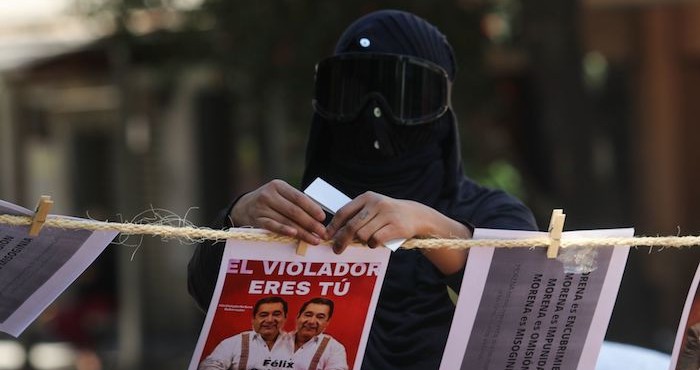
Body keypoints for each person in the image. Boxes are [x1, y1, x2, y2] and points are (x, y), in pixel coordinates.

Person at [189, 9, 537, 370]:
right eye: (352, 91)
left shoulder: (491, 213)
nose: (374, 112)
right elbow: (206, 293)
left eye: (401, 94)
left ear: (439, 108)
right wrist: (235, 221)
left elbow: (529, 302)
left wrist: (430, 227)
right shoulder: (299, 217)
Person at [198, 296, 292, 370]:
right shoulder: (234, 342)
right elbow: (208, 366)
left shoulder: (296, 343)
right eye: (263, 315)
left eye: (276, 314)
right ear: (253, 319)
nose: (270, 320)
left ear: (285, 318)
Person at [291, 298, 348, 370]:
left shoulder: (334, 348)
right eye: (308, 315)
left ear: (327, 322)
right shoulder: (279, 340)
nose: (311, 321)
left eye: (320, 317)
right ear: (298, 317)